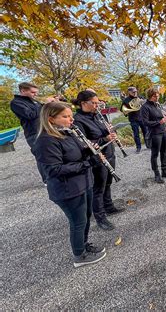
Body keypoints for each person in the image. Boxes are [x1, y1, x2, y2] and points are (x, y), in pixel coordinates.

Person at [35, 102, 106, 267]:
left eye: (70, 115)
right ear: (51, 119)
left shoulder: (67, 132)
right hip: (68, 189)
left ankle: (83, 245)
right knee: (78, 222)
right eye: (65, 117)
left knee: (86, 218)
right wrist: (88, 163)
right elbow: (53, 170)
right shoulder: (45, 140)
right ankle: (79, 256)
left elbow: (76, 153)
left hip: (83, 183)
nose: (71, 119)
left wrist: (90, 150)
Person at [73, 91, 124, 231]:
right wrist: (104, 139)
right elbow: (83, 142)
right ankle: (100, 217)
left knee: (108, 182)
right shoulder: (78, 120)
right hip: (97, 157)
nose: (97, 105)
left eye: (97, 103)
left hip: (109, 153)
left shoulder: (99, 116)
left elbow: (106, 132)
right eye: (94, 103)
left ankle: (109, 207)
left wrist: (112, 132)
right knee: (98, 188)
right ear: (83, 103)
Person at [10, 82, 55, 182]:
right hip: (33, 133)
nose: (35, 94)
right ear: (23, 91)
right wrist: (44, 105)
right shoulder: (16, 103)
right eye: (33, 92)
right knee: (42, 156)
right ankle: (47, 180)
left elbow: (43, 112)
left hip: (45, 129)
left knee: (52, 154)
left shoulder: (33, 101)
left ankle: (54, 177)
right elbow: (30, 115)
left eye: (36, 92)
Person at [140, 88, 166, 184]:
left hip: (163, 131)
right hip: (154, 133)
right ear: (150, 96)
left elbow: (161, 116)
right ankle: (157, 174)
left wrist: (165, 116)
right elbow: (145, 122)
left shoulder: (158, 105)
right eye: (155, 96)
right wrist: (159, 122)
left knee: (164, 152)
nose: (157, 97)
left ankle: (164, 171)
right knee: (155, 154)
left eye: (158, 95)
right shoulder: (145, 107)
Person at [121, 86, 148, 153]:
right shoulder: (126, 100)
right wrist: (129, 110)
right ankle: (138, 148)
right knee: (136, 134)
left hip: (142, 118)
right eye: (133, 92)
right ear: (129, 92)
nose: (135, 93)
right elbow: (123, 109)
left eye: (136, 91)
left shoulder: (140, 97)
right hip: (133, 119)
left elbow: (145, 106)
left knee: (146, 132)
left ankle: (148, 145)